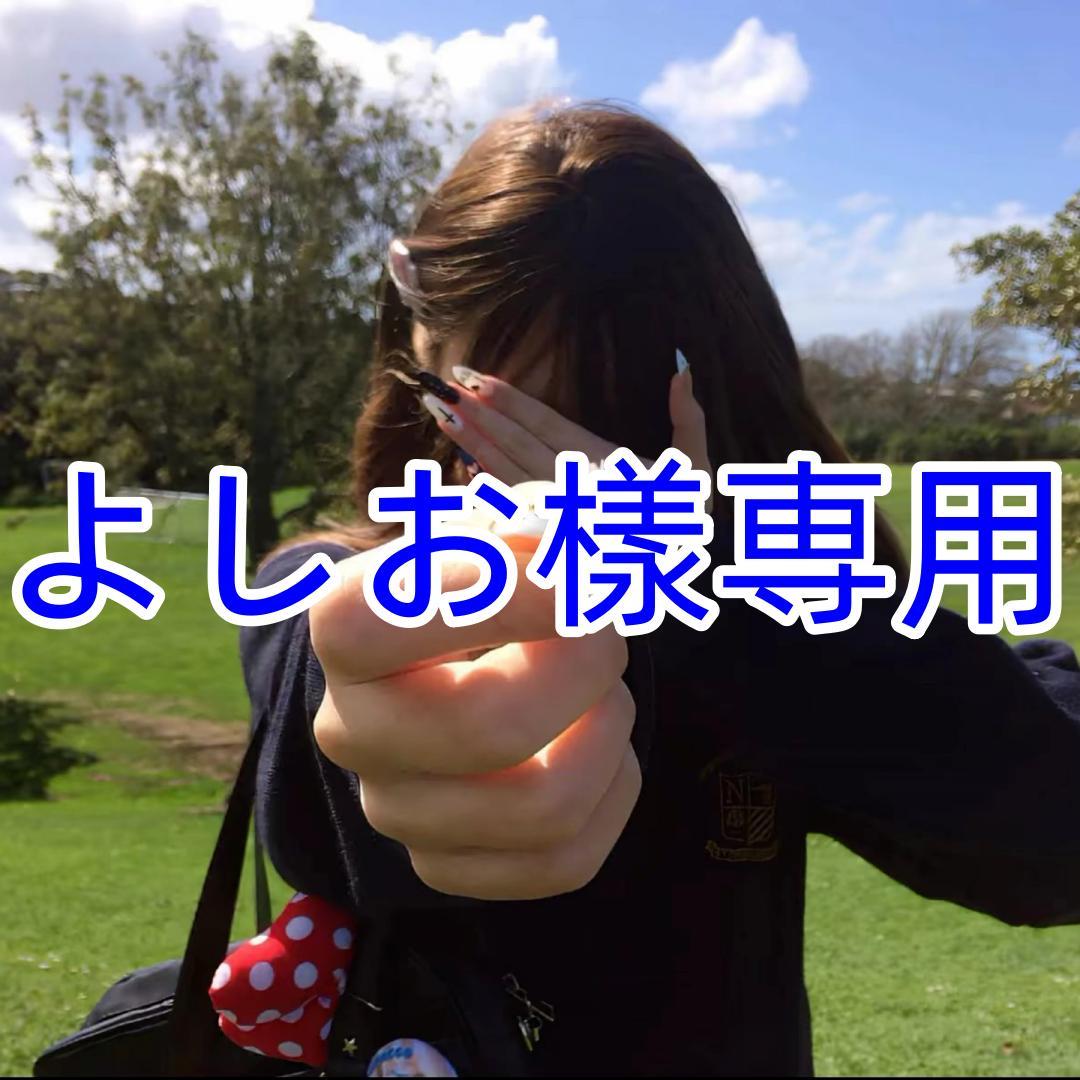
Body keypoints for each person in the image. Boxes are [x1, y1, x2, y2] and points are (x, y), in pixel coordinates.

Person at [239, 101, 1080, 1076]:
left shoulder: (779, 608)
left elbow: (1049, 836)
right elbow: (315, 662)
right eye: (489, 416)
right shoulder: (319, 592)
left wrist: (707, 588)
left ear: (714, 402)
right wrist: (374, 683)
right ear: (422, 367)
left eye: (604, 430)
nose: (544, 490)